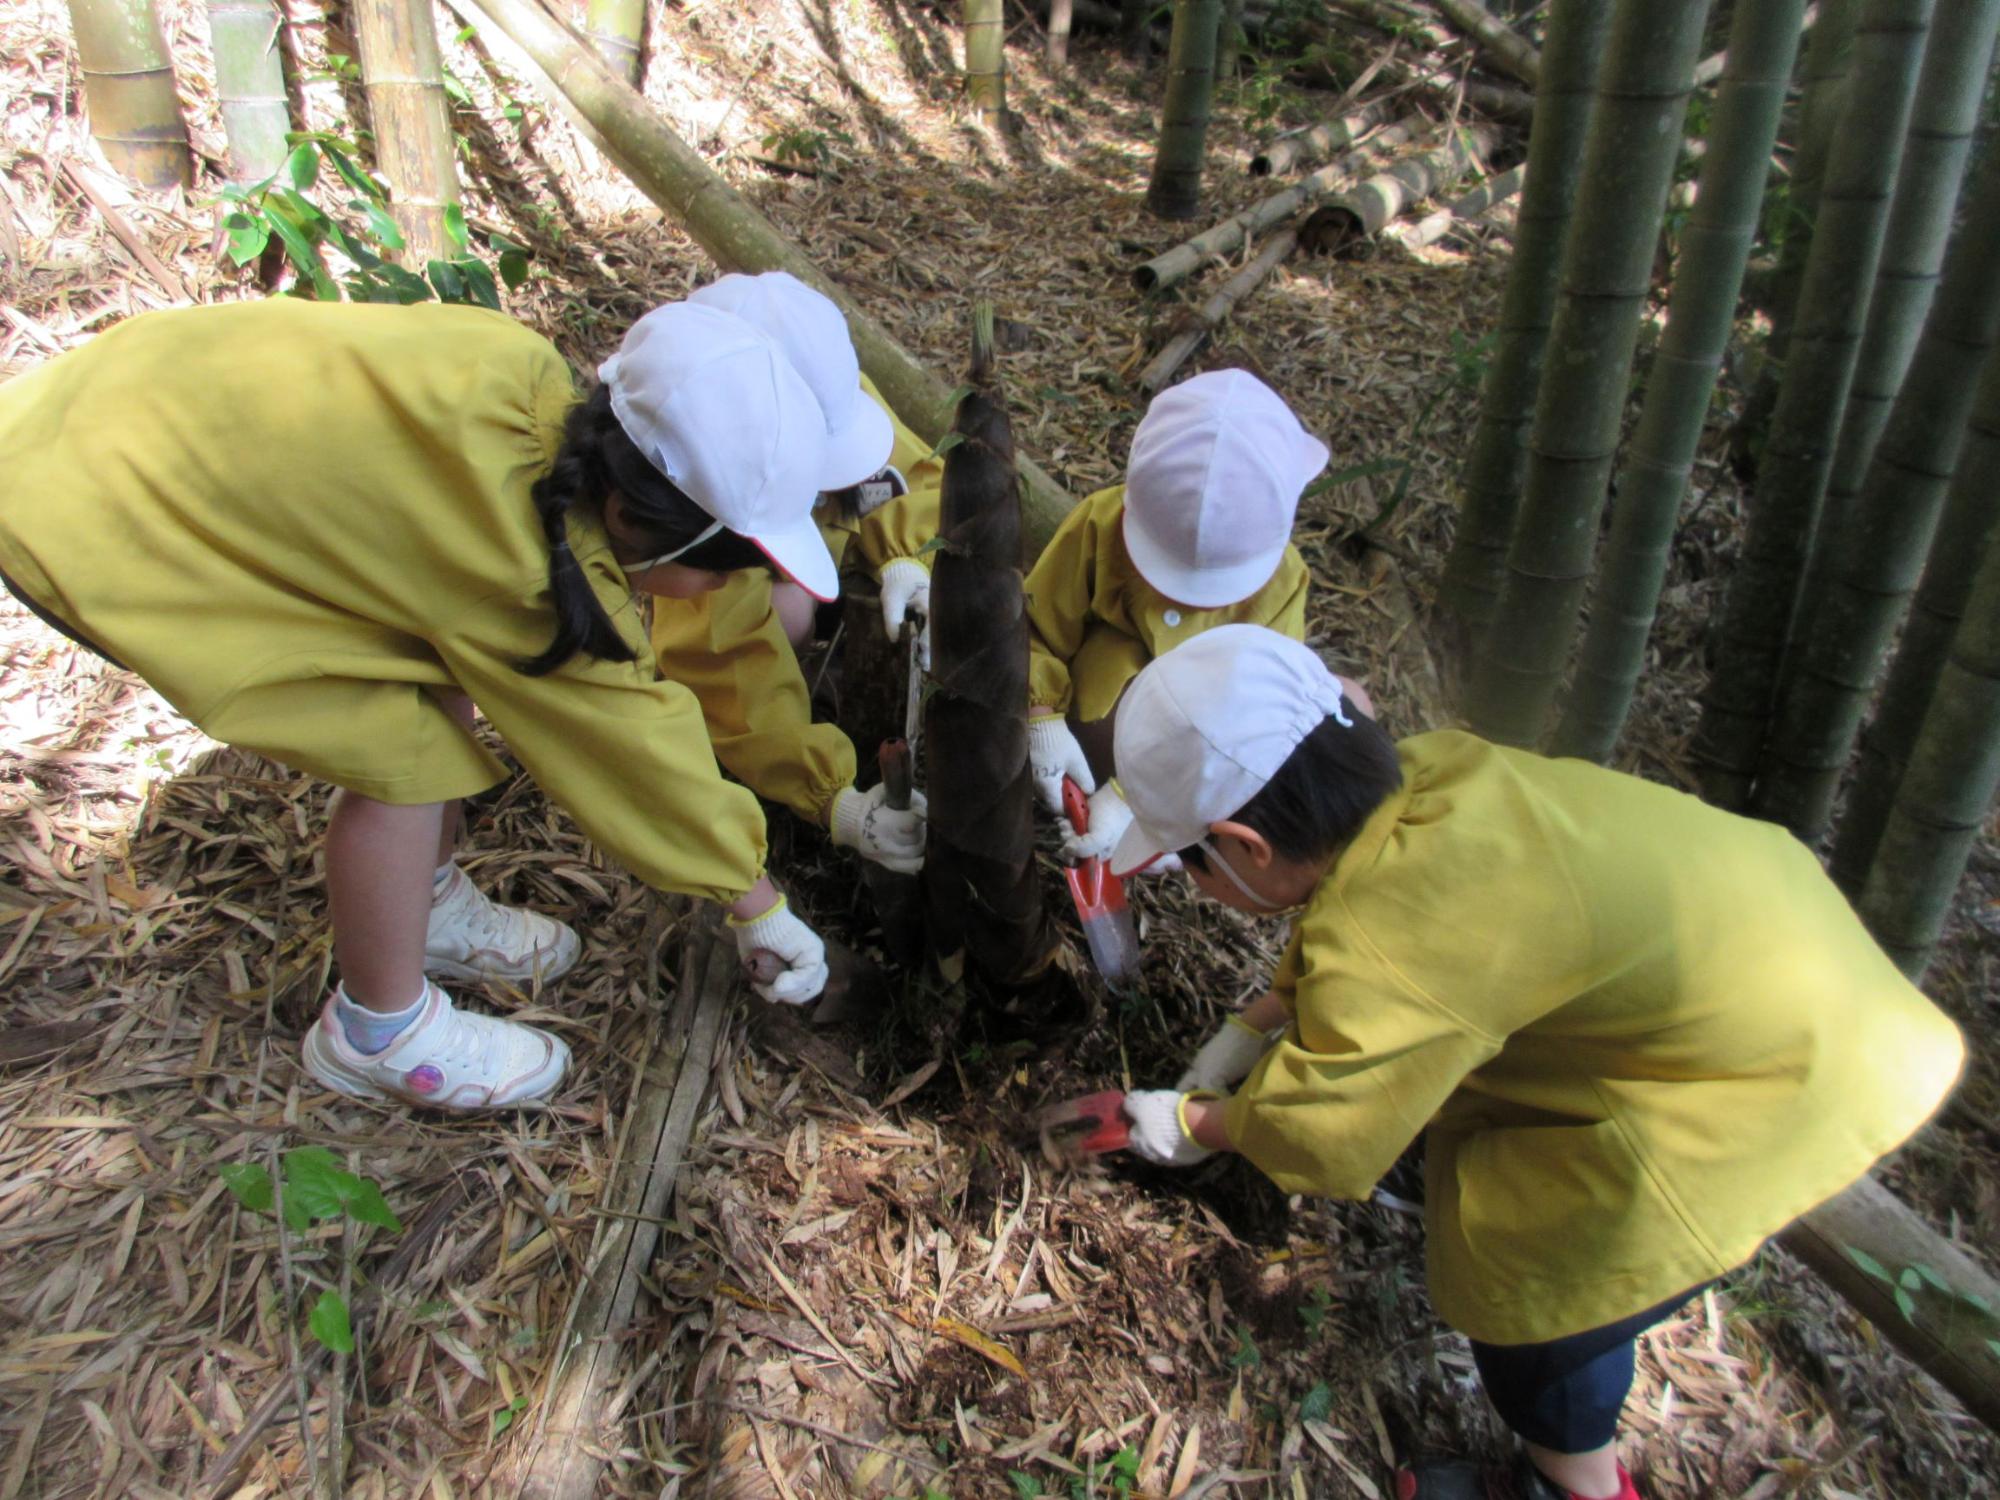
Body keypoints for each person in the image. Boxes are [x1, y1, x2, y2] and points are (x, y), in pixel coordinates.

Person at [1100, 626, 1965, 1500]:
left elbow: (1325, 1132)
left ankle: (1575, 1481)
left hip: (1771, 1092)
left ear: (1247, 846)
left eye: (1192, 864)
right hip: (1809, 980)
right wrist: (1256, 1020)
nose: (1197, 884)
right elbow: (1372, 957)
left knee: (1543, 1299)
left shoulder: (1398, 940)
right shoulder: (1434, 776)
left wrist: (1197, 1123)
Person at [0, 296, 879, 1111]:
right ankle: (376, 1031)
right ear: (632, 515)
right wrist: (752, 897)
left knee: (438, 658)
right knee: (403, 756)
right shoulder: (528, 572)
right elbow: (635, 750)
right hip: (101, 508)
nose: (719, 589)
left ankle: (422, 899)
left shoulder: (520, 378)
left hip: (121, 403)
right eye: (721, 569)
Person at [647, 272, 940, 861]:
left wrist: (906, 555)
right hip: (756, 599)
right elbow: (721, 651)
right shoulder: (706, 510)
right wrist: (831, 796)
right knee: (782, 617)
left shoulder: (821, 383)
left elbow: (905, 472)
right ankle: (776, 727)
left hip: (833, 563)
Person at [1022, 369, 1326, 866]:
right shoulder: (1101, 524)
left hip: (1201, 755)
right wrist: (1040, 716)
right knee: (1112, 664)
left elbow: (1257, 718)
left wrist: (1142, 803)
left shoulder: (1284, 581)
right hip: (1092, 714)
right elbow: (1036, 621)